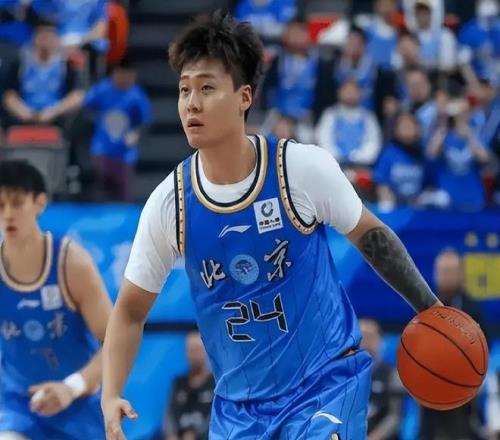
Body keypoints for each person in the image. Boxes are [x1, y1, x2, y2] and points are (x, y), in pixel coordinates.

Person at [101, 12, 442, 440]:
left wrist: (431, 307)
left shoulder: (299, 168)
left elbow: (371, 236)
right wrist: (110, 393)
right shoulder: (171, 204)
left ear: (244, 97)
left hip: (325, 385)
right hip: (240, 409)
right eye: (184, 89)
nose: (191, 103)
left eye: (207, 88)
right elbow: (130, 311)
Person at [0, 160, 112, 439]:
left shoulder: (71, 263)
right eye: (0, 205)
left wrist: (72, 387)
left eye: (17, 203)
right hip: (18, 408)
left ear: (39, 203)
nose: (8, 214)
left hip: (78, 406)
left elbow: (117, 342)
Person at [419, 247, 489, 440]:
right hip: (429, 386)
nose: (446, 276)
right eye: (443, 271)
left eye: (451, 271)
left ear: (461, 274)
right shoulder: (422, 305)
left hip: (462, 388)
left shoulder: (472, 309)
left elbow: (484, 348)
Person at [78, 55, 152, 202]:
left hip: (125, 154)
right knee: (101, 189)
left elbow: (145, 122)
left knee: (123, 194)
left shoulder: (137, 96)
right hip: (102, 149)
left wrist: (136, 134)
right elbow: (85, 108)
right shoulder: (101, 90)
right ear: (115, 73)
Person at [2, 18, 83, 129]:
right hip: (24, 114)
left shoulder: (66, 63)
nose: (46, 39)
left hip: (56, 114)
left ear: (56, 38)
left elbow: (76, 95)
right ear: (34, 37)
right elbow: (9, 95)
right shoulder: (20, 62)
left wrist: (53, 111)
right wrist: (24, 112)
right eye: (42, 35)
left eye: (49, 35)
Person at [164, 331, 215, 440]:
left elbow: (216, 417)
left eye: (198, 350)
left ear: (206, 351)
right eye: (191, 351)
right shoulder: (178, 383)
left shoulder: (215, 383)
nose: (194, 355)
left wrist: (196, 435)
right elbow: (169, 416)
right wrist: (171, 435)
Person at [359, 319, 403, 440]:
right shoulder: (345, 375)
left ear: (379, 341)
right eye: (361, 337)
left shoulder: (390, 373)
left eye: (369, 337)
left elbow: (395, 417)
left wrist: (373, 438)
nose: (365, 342)